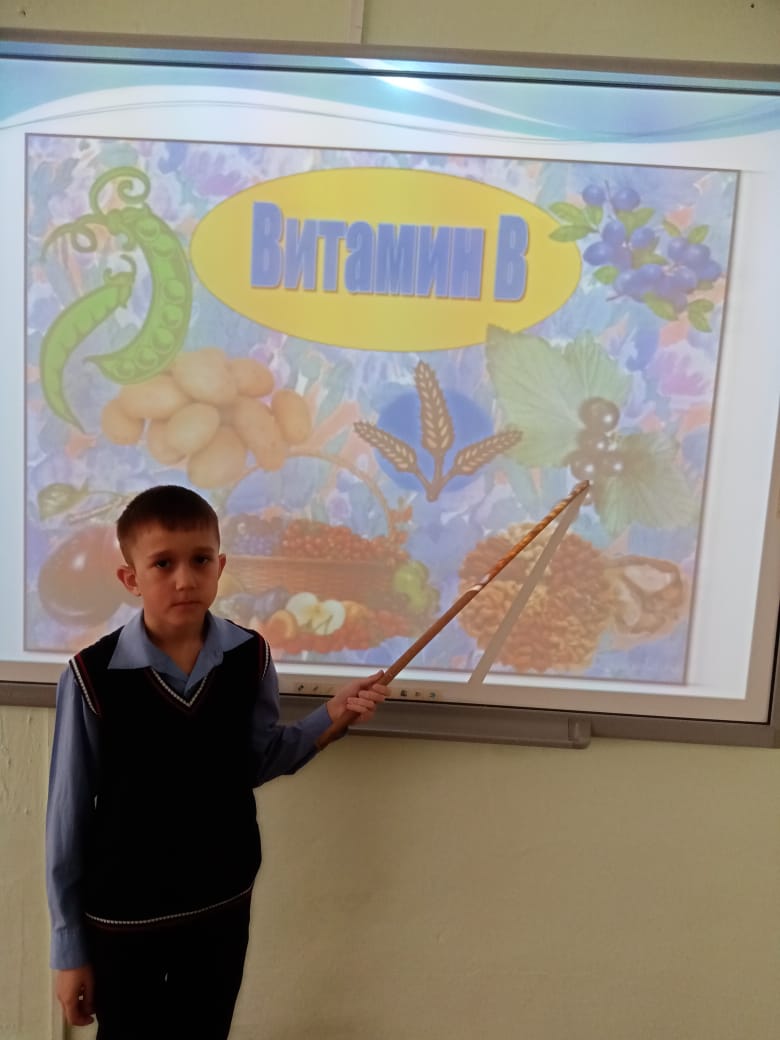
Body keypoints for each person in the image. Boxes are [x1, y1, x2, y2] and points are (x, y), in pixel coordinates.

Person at [46, 484, 389, 1039]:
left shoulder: (250, 655)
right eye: (163, 563)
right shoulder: (90, 677)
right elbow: (66, 821)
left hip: (221, 903)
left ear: (221, 566)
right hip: (124, 917)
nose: (185, 579)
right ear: (131, 579)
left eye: (201, 560)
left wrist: (332, 715)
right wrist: (68, 948)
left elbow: (255, 760)